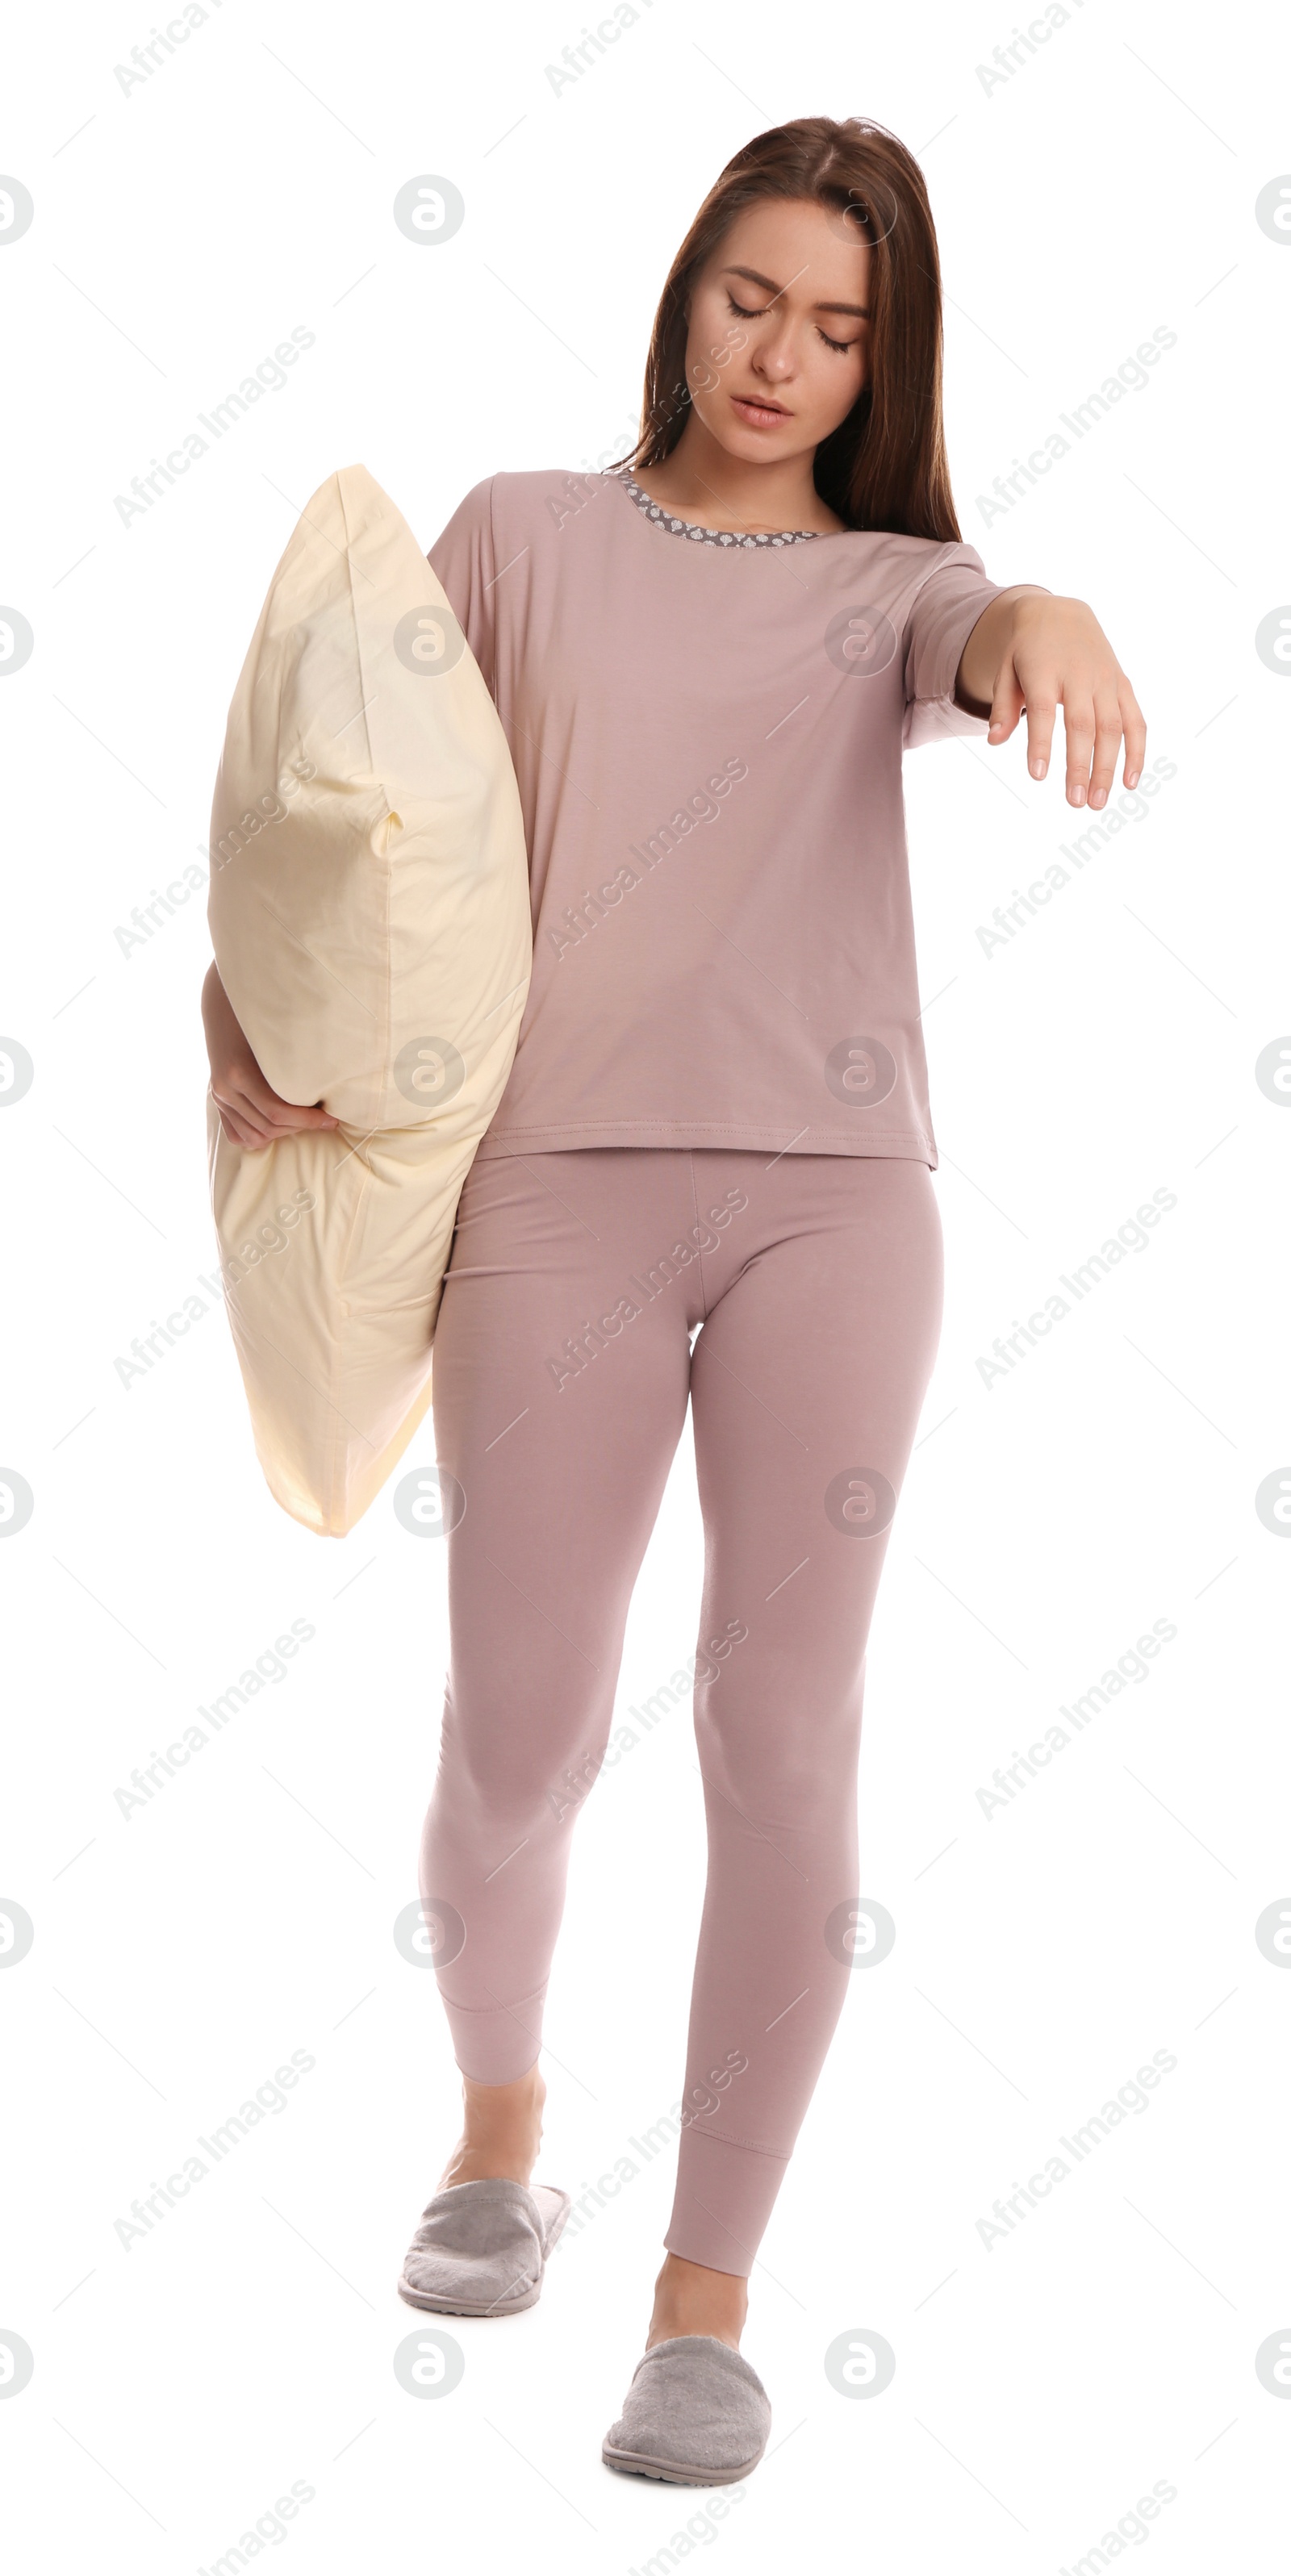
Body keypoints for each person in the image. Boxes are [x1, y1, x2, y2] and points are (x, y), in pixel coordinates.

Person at [203, 116, 1144, 2486]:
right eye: (756, 297)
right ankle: (497, 2133)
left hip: (840, 1199)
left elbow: (977, 632)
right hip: (555, 1189)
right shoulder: (520, 531)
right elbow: (346, 803)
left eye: (843, 325)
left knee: (785, 1729)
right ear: (683, 286)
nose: (787, 358)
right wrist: (254, 1018)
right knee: (521, 1729)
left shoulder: (902, 587)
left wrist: (1053, 618)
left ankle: (705, 2302)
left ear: (887, 353)